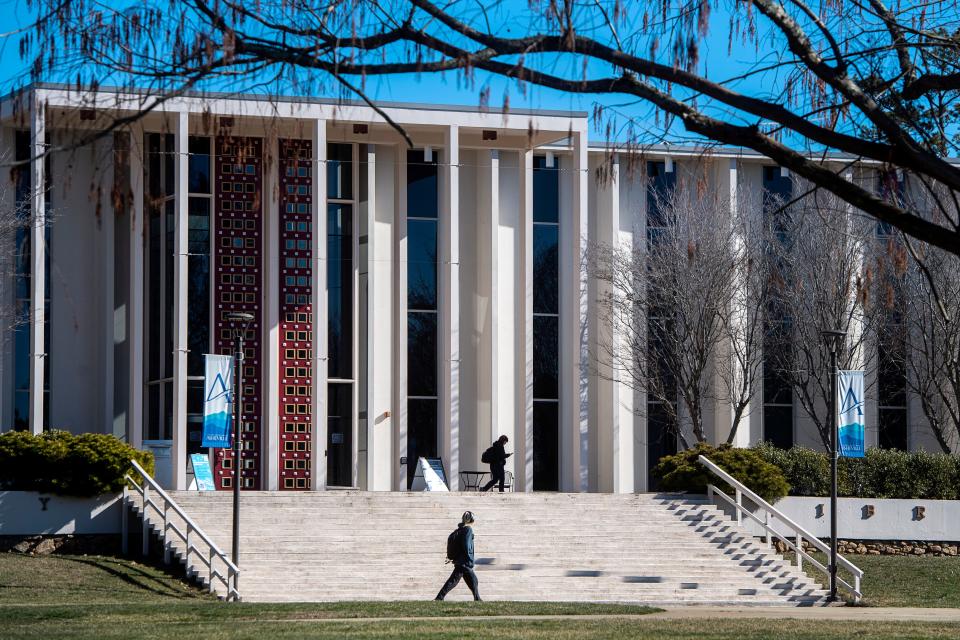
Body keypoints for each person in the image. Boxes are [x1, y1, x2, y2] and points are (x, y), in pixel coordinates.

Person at [435, 511, 481, 601]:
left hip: (460, 561)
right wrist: (470, 558)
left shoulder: (460, 530)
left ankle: (477, 598)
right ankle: (439, 597)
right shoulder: (468, 529)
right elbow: (467, 545)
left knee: (472, 580)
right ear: (472, 520)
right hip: (464, 561)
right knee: (454, 581)